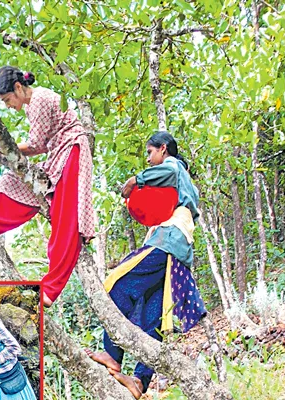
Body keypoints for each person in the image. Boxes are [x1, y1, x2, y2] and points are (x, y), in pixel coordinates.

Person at [86, 132, 207, 399]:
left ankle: (113, 353)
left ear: (164, 150)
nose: (149, 160)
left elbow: (166, 172)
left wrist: (135, 180)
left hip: (167, 242)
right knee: (155, 317)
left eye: (150, 154)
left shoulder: (174, 167)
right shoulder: (184, 186)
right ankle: (140, 380)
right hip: (176, 251)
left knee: (116, 283)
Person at [0, 66, 95, 307]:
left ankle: (50, 289)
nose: (8, 105)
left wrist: (0, 149)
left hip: (72, 151)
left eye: (7, 100)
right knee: (12, 180)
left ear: (19, 88)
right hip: (56, 156)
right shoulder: (31, 104)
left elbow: (37, 145)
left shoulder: (38, 99)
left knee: (66, 219)